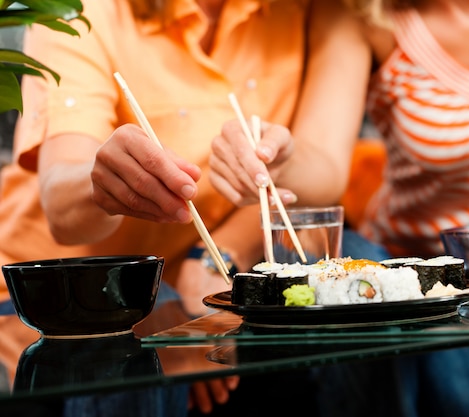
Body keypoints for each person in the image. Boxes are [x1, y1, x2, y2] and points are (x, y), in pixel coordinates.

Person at [208, 0, 469, 415]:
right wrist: (280, 163)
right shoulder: (357, 13)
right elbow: (326, 165)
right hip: (413, 261)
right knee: (458, 394)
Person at [0, 0, 360, 415]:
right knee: (130, 352)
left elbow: (322, 181)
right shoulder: (84, 9)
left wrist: (211, 256)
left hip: (196, 273)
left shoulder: (313, 11)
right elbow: (64, 211)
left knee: (356, 259)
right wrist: (102, 182)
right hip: (67, 292)